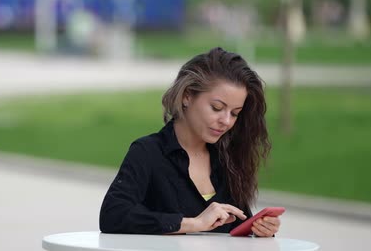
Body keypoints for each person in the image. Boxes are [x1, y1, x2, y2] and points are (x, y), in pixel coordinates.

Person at [99, 47, 279, 236]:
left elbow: (234, 232)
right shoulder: (147, 153)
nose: (226, 121)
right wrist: (194, 224)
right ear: (187, 96)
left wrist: (257, 230)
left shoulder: (226, 158)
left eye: (235, 113)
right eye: (217, 108)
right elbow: (113, 216)